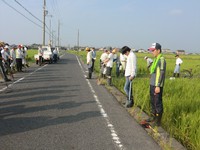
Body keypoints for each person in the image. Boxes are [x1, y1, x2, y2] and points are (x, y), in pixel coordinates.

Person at [147, 43, 166, 126]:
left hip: (157, 85)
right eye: (151, 50)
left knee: (157, 102)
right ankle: (153, 117)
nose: (152, 52)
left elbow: (161, 73)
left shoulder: (161, 59)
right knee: (152, 101)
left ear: (158, 50)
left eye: (153, 50)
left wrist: (158, 85)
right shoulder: (155, 59)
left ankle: (158, 122)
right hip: (152, 84)